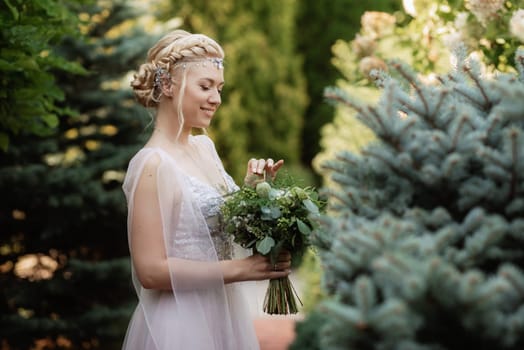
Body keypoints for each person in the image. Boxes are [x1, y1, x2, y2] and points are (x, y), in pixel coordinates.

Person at [121, 29, 291, 350]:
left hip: (223, 314)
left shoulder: (204, 148)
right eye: (205, 86)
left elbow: (218, 228)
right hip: (179, 324)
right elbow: (151, 271)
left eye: (219, 88)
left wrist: (254, 193)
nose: (217, 99)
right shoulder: (151, 165)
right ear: (168, 85)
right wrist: (242, 269)